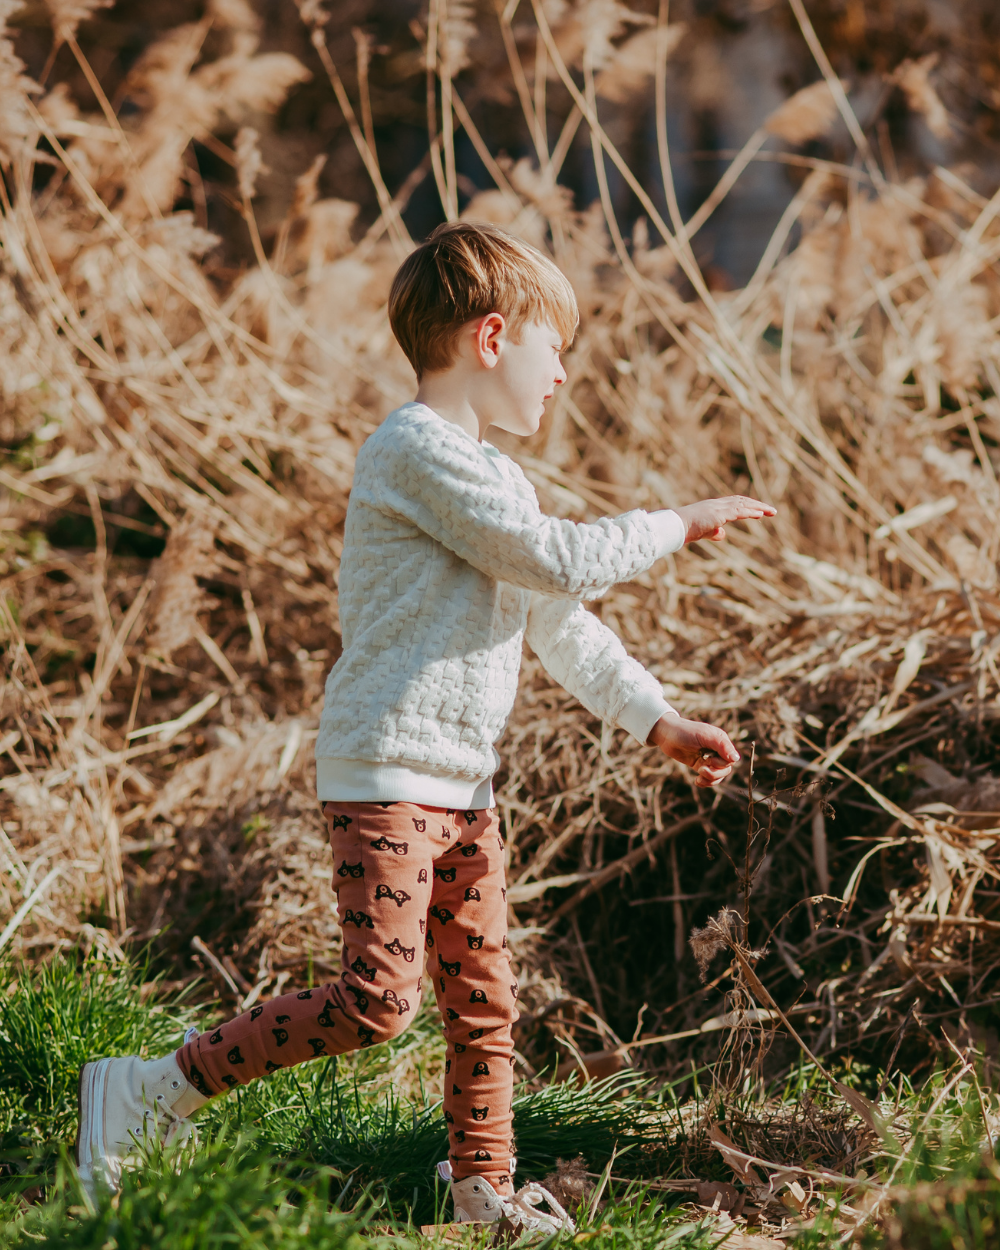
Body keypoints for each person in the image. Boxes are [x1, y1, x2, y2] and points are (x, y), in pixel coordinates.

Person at [76, 221, 775, 1226]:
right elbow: (561, 561)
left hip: (463, 782)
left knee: (485, 999)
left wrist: (654, 718)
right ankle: (151, 1088)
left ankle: (480, 1184)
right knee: (377, 1000)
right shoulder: (413, 451)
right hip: (389, 769)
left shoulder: (497, 479)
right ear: (491, 338)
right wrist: (680, 522)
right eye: (556, 350)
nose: (565, 377)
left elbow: (559, 620)